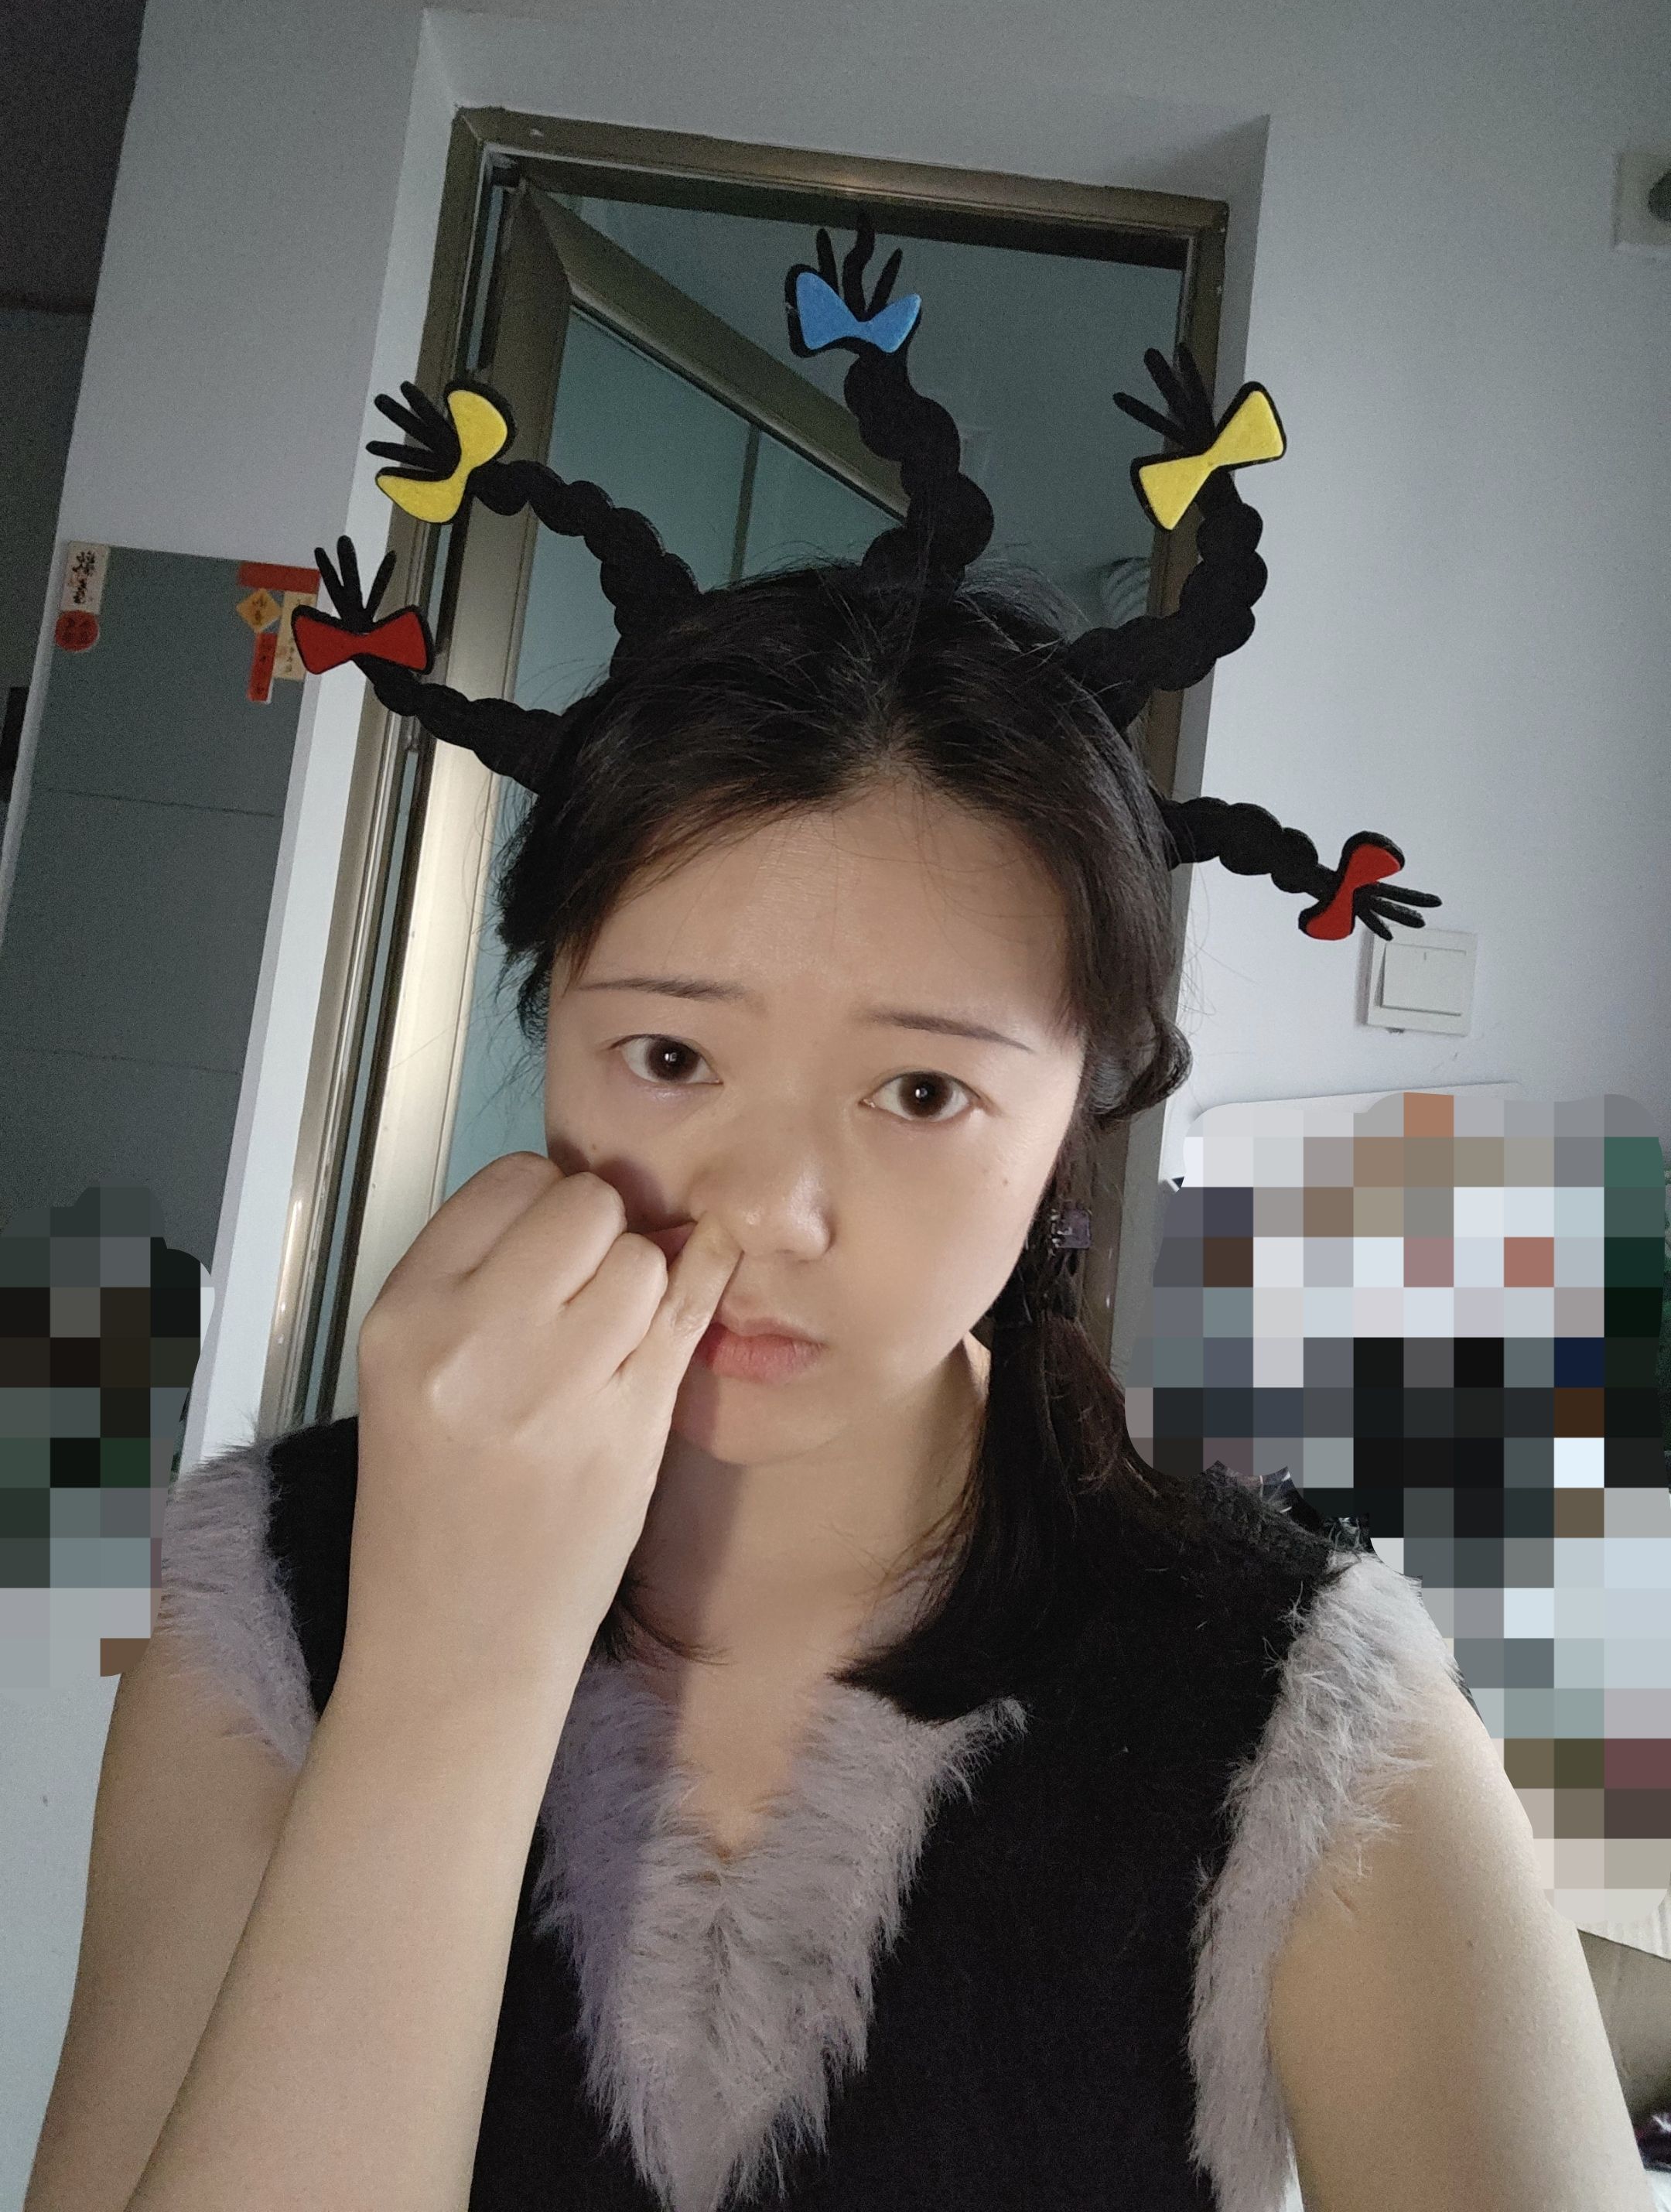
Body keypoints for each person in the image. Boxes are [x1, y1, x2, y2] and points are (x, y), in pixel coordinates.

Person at [27, 214, 1648, 2212]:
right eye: (671, 1057)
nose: (771, 1210)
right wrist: (450, 1658)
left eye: (922, 1093)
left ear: (1075, 1119)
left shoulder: (1298, 1706)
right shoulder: (268, 1596)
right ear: (549, 1025)